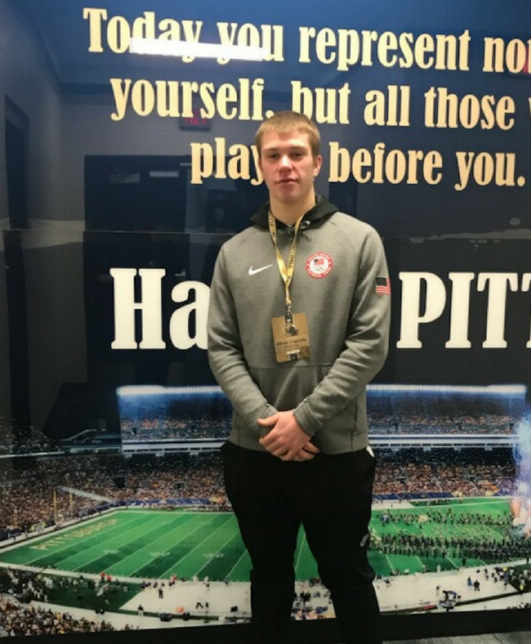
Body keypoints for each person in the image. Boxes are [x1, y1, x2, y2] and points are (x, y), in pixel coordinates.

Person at [207, 110, 391, 644]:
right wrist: (271, 422)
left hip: (333, 451)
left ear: (317, 162)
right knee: (269, 579)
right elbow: (220, 346)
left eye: (296, 154)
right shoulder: (233, 253)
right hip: (255, 451)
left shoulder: (359, 241)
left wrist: (305, 420)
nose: (285, 165)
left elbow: (370, 345)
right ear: (259, 165)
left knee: (348, 579)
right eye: (273, 155)